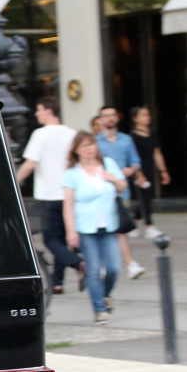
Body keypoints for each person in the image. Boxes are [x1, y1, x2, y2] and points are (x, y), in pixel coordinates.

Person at [16, 97, 83, 294]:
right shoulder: (72, 134)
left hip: (49, 196)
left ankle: (78, 263)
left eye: (39, 109)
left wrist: (15, 181)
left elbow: (30, 163)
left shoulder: (40, 134)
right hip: (70, 195)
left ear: (48, 111)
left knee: (50, 240)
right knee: (60, 240)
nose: (36, 114)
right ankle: (58, 283)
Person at [63, 131, 127, 325]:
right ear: (76, 151)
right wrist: (71, 231)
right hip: (86, 228)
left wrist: (113, 180)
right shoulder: (72, 174)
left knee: (114, 268)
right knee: (93, 270)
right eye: (85, 146)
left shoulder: (108, 164)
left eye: (92, 145)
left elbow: (123, 187)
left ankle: (106, 294)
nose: (90, 149)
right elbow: (68, 204)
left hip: (109, 225)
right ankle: (99, 309)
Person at [95, 106, 145, 280]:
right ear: (100, 120)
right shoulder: (95, 143)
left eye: (113, 115)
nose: (110, 118)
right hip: (100, 193)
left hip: (121, 192)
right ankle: (114, 264)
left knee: (119, 230)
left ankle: (126, 264)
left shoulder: (126, 140)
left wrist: (130, 171)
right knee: (106, 230)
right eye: (106, 116)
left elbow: (135, 162)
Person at [128, 106, 171, 241]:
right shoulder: (132, 137)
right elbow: (132, 156)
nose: (147, 117)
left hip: (149, 168)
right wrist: (138, 173)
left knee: (147, 196)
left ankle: (133, 224)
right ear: (135, 119)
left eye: (148, 114)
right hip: (138, 170)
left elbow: (157, 153)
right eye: (143, 115)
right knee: (144, 197)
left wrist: (163, 171)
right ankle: (149, 226)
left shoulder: (153, 134)